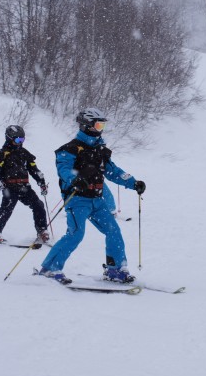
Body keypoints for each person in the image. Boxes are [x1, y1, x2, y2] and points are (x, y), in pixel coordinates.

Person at [37, 108, 146, 284]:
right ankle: (49, 269)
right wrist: (75, 180)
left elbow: (112, 171)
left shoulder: (100, 150)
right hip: (77, 199)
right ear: (87, 125)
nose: (101, 128)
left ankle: (115, 270)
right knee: (75, 235)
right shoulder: (70, 149)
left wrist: (132, 182)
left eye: (103, 124)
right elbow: (63, 169)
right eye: (98, 124)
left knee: (113, 231)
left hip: (97, 200)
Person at [0, 125, 50, 244]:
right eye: (17, 140)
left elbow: (34, 169)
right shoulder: (2, 154)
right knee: (7, 208)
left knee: (38, 205)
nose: (20, 143)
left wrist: (41, 182)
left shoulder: (24, 153)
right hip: (9, 187)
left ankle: (42, 231)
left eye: (22, 140)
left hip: (24, 187)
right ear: (9, 138)